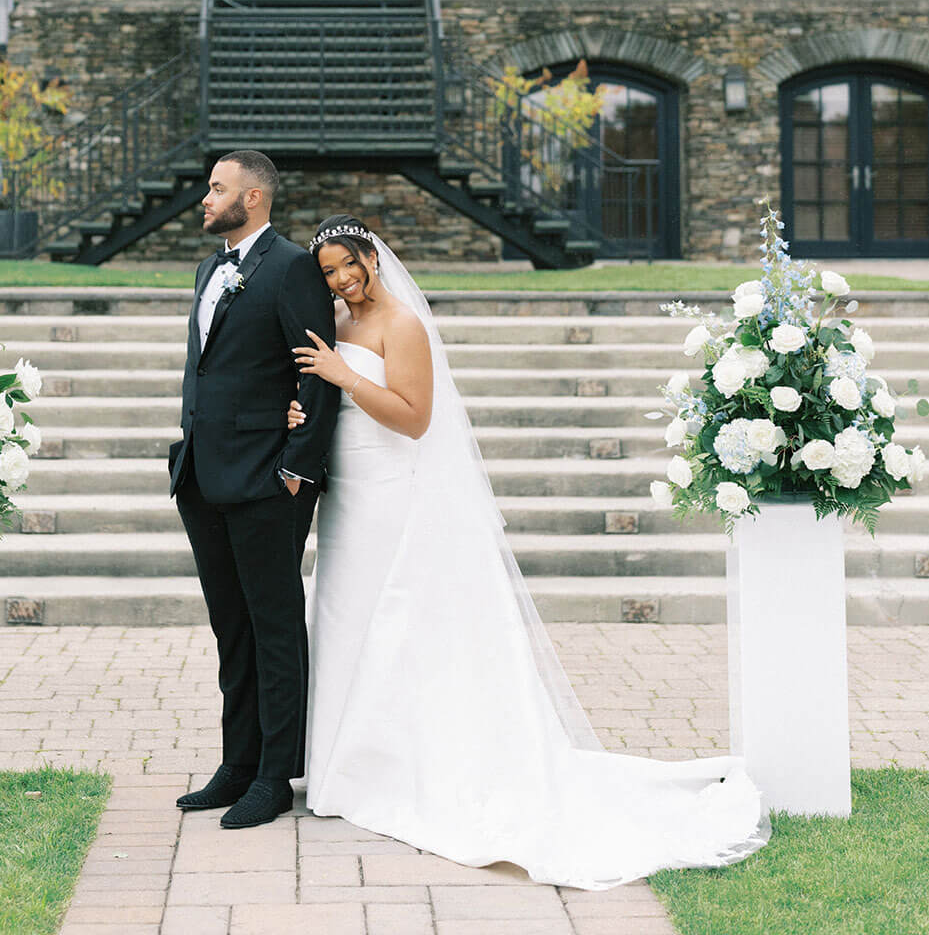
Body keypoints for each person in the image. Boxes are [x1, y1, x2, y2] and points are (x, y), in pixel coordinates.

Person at [288, 214, 769, 890]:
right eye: (329, 272)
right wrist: (306, 408)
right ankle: (338, 761)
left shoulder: (401, 325)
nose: (342, 281)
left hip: (393, 491)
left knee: (396, 622)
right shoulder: (339, 325)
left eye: (349, 265)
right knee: (341, 617)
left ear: (372, 257)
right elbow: (331, 398)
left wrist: (342, 376)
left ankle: (396, 764)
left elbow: (413, 417)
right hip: (348, 493)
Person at [169, 151, 338, 830]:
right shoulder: (211, 268)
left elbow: (316, 373)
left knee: (272, 628)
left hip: (268, 479)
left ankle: (274, 774)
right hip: (202, 473)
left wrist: (296, 467)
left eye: (217, 189)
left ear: (254, 197)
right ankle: (236, 763)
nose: (205, 199)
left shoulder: (292, 267)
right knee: (229, 626)